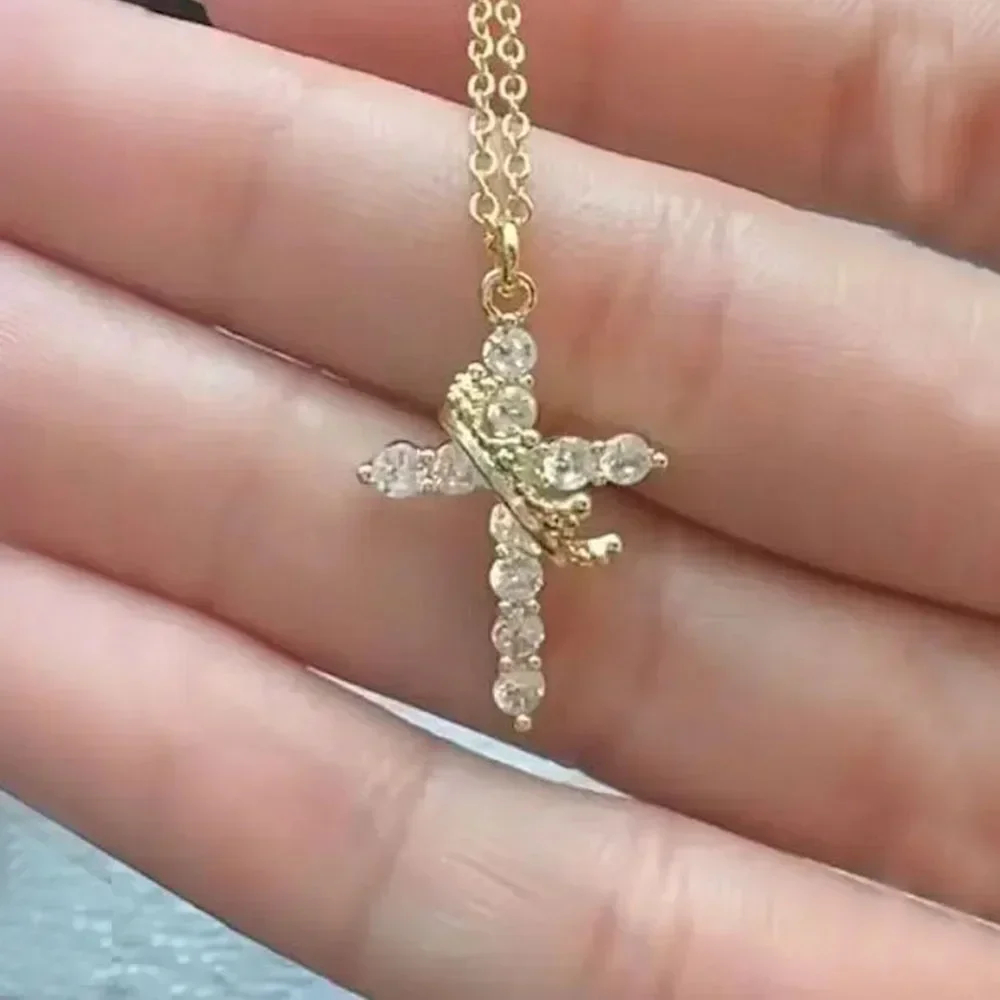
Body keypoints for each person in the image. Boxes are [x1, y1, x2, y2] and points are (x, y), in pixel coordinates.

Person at [2, 0, 1000, 995]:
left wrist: (610, 458)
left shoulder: (511, 434)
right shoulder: (493, 437)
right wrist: (588, 460)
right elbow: (480, 465)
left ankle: (523, 673)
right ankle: (521, 674)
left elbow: (582, 459)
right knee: (521, 587)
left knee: (526, 585)